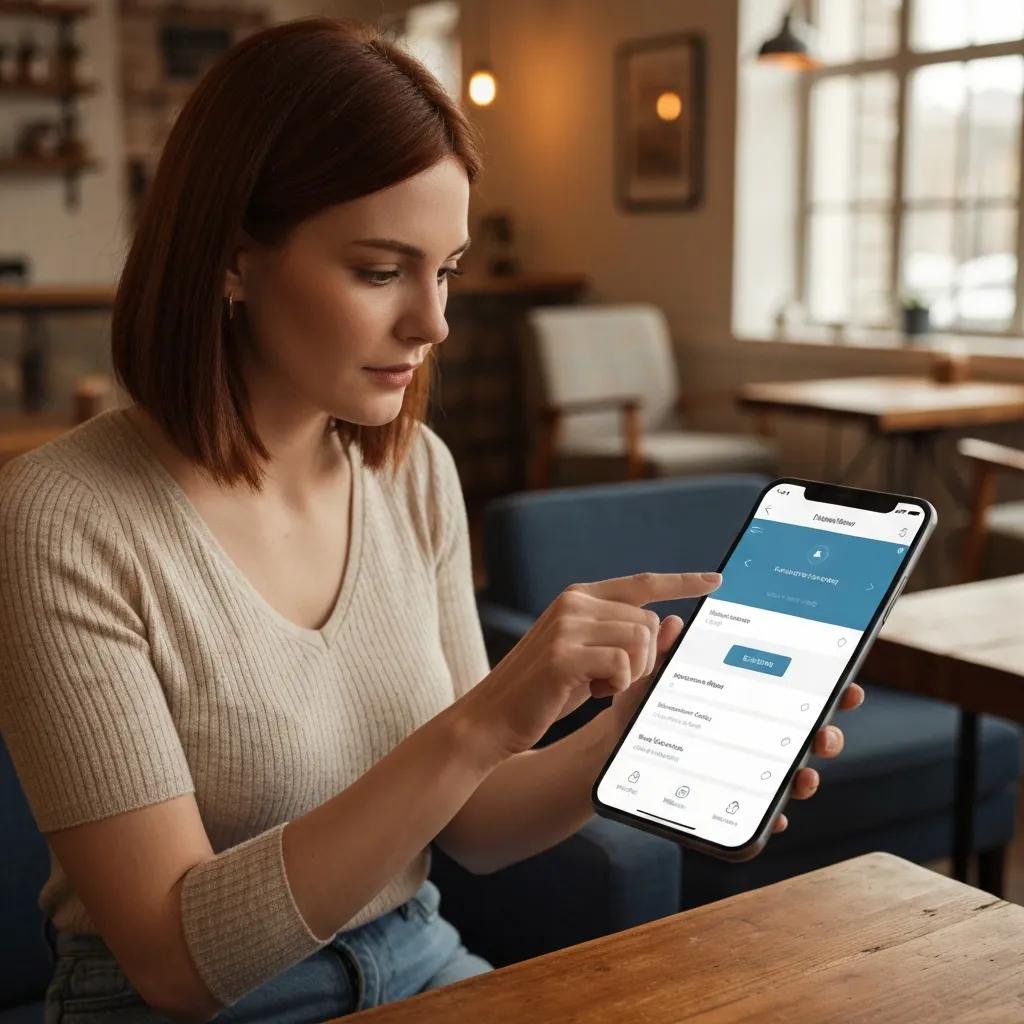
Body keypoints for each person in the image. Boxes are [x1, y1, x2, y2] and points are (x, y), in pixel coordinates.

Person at [0, 17, 862, 1024]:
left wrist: (637, 733)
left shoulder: (413, 472)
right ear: (232, 260)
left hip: (415, 958)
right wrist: (483, 721)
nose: (434, 321)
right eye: (380, 271)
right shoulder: (66, 517)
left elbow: (476, 827)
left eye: (445, 268)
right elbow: (173, 963)